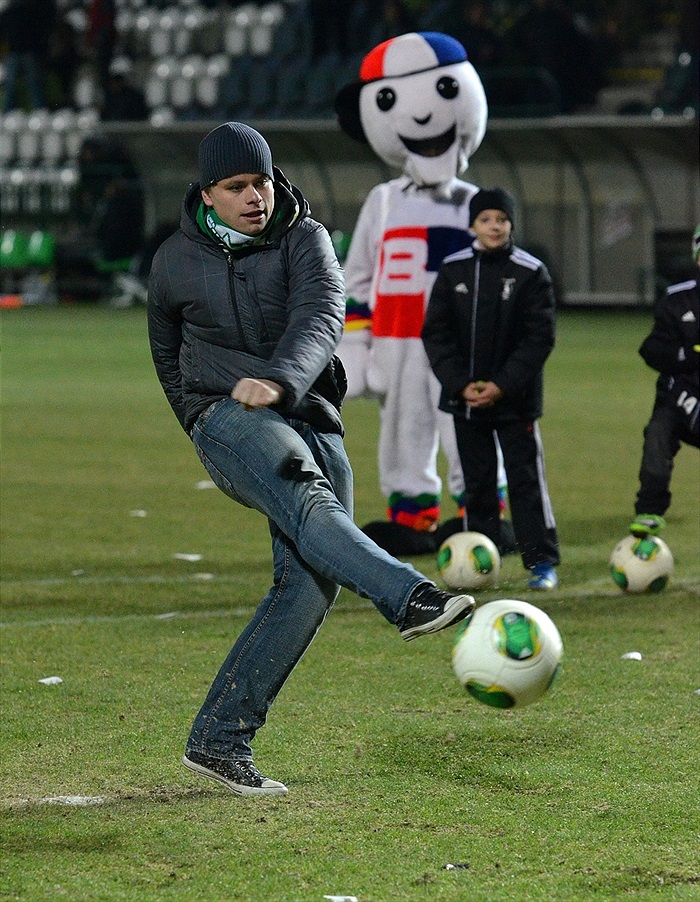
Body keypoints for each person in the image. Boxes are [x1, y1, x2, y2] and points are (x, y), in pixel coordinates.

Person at [147, 121, 476, 797]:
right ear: (208, 194)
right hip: (230, 417)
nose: (253, 196)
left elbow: (322, 318)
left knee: (307, 585)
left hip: (305, 410)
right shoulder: (173, 260)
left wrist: (281, 381)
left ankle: (218, 740)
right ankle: (410, 599)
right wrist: (197, 416)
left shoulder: (307, 238)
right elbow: (165, 349)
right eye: (236, 186)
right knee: (313, 506)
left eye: (260, 182)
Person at [422, 188, 560, 590]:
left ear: (511, 224)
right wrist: (461, 385)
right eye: (486, 220)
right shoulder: (453, 270)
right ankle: (484, 564)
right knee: (476, 484)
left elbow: (539, 339)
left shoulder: (531, 272)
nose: (494, 227)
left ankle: (542, 564)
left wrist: (501, 385)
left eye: (501, 219)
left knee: (526, 482)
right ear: (472, 225)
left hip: (515, 402)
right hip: (465, 402)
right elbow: (436, 335)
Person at [629, 225, 699, 538]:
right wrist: (689, 354)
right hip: (681, 398)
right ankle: (650, 510)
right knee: (659, 432)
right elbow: (652, 349)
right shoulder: (677, 299)